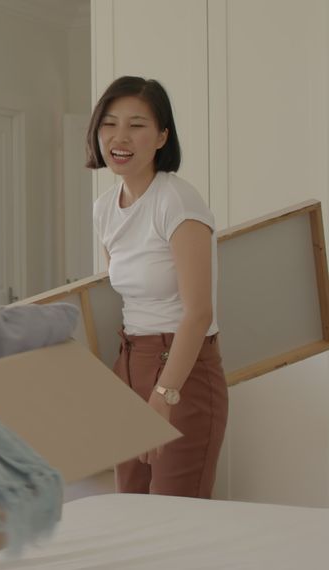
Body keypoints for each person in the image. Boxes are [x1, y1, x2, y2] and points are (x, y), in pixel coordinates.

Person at [86, 76, 227, 498]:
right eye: (109, 123)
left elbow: (198, 312)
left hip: (182, 369)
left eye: (137, 125)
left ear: (162, 137)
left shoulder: (177, 201)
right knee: (131, 507)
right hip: (130, 361)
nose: (120, 137)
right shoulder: (104, 209)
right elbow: (127, 293)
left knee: (176, 513)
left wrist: (166, 392)